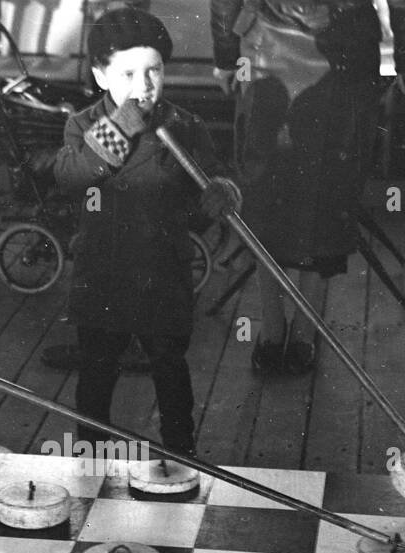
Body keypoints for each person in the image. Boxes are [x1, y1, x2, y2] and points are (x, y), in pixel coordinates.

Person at [54, 6, 240, 458]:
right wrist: (120, 126)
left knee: (170, 369)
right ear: (100, 76)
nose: (143, 86)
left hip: (163, 274)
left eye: (153, 71)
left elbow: (209, 186)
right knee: (97, 372)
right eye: (128, 73)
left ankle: (181, 453)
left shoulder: (185, 127)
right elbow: (71, 176)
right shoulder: (82, 126)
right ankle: (92, 457)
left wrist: (221, 193)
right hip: (103, 277)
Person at [211, 0, 405, 374]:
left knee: (319, 190)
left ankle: (299, 327)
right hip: (278, 48)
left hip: (334, 54)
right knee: (275, 191)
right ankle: (277, 323)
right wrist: (227, 54)